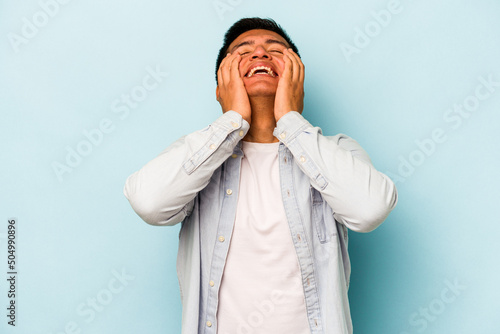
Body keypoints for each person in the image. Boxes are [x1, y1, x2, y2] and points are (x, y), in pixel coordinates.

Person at [124, 17, 398, 334]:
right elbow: (148, 202)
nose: (259, 54)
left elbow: (370, 210)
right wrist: (232, 120)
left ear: (298, 78)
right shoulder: (197, 157)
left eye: (275, 49)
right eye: (243, 50)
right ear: (221, 86)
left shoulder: (336, 151)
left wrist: (291, 120)